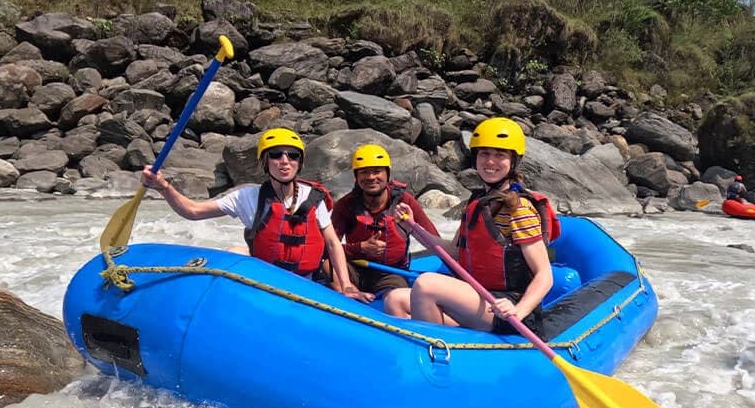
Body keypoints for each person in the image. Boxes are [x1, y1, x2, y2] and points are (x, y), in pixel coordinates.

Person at [142, 127, 369, 301]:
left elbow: (332, 242)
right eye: (276, 155)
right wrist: (164, 187)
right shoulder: (247, 197)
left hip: (305, 284)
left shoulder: (314, 197)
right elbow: (192, 211)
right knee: (235, 252)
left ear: (299, 163)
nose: (284, 161)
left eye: (292, 156)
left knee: (339, 286)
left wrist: (346, 284)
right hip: (265, 281)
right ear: (264, 161)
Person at [384, 118, 557, 334]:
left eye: (499, 155)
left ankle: (435, 349)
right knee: (395, 299)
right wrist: (413, 227)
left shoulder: (519, 209)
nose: (490, 162)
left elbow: (544, 275)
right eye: (484, 153)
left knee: (426, 284)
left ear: (514, 161)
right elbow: (454, 252)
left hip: (508, 307)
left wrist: (518, 310)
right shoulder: (476, 203)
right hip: (478, 298)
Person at [331, 144, 440, 294]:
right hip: (354, 268)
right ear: (356, 177)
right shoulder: (345, 205)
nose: (370, 177)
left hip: (391, 273)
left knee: (397, 295)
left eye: (377, 172)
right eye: (364, 172)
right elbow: (327, 247)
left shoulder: (405, 201)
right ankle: (350, 298)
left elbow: (434, 240)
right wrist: (360, 248)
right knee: (327, 265)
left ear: (387, 174)